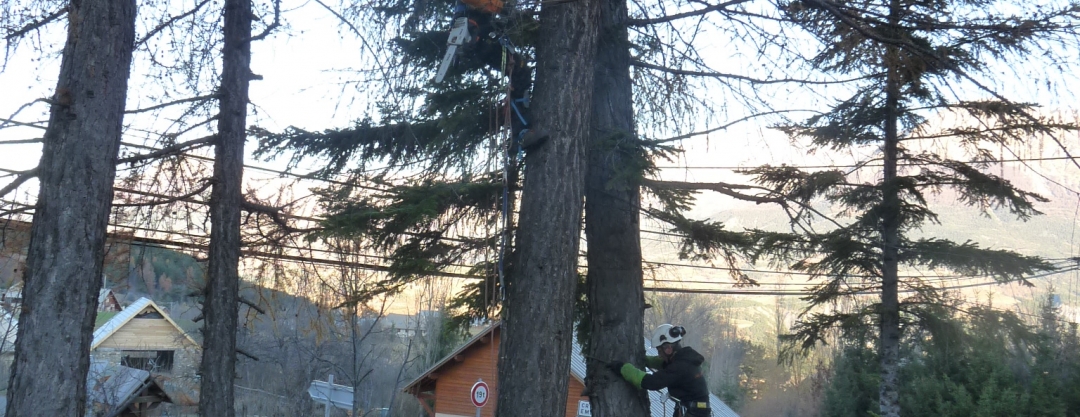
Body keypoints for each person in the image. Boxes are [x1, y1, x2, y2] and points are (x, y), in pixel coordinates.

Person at [608, 324, 712, 417]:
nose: (659, 354)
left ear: (668, 348)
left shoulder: (680, 366)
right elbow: (665, 364)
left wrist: (623, 368)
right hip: (694, 411)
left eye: (659, 350)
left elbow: (651, 382)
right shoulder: (686, 359)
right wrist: (645, 360)